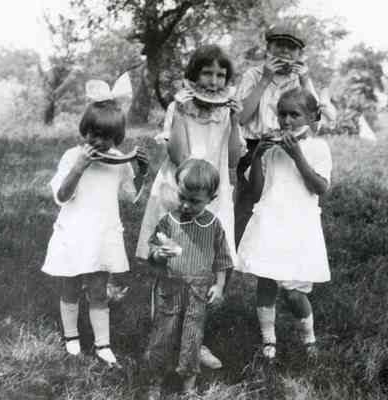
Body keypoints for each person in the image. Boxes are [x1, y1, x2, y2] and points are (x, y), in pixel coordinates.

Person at [136, 45, 243, 368]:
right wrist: (181, 114)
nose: (213, 81)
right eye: (207, 73)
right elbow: (180, 158)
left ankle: (194, 340)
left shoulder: (227, 110)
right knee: (169, 267)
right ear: (193, 76)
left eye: (221, 74)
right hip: (180, 191)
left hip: (214, 194)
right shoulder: (177, 107)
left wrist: (236, 120)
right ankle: (161, 338)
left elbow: (235, 158)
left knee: (203, 270)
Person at [42, 93, 149, 366]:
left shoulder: (118, 161)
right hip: (73, 234)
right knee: (70, 287)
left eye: (106, 136)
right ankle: (71, 337)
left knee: (99, 291)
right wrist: (79, 168)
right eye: (92, 134)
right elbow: (62, 196)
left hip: (102, 234)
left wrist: (142, 173)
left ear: (116, 138)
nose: (98, 141)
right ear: (84, 130)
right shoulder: (71, 156)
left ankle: (103, 344)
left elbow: (129, 197)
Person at [238, 88, 332, 360]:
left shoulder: (318, 147)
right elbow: (255, 191)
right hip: (269, 222)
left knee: (293, 292)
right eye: (282, 114)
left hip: (298, 226)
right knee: (266, 282)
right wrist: (257, 157)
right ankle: (269, 340)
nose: (287, 120)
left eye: (294, 114)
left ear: (312, 117)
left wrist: (297, 156)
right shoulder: (270, 149)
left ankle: (308, 338)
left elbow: (320, 187)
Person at [145, 159, 233, 399]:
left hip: (198, 292)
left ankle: (188, 385)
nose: (185, 205)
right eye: (182, 197)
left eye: (194, 201)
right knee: (163, 335)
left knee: (192, 338)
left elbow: (222, 259)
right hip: (170, 289)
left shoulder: (213, 225)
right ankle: (156, 380)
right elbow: (151, 253)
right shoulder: (168, 222)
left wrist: (219, 284)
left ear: (211, 199)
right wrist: (158, 254)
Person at [235, 20, 318, 245]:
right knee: (245, 208)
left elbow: (315, 124)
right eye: (278, 44)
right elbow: (241, 118)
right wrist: (265, 79)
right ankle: (234, 261)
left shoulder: (300, 80)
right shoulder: (253, 74)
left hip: (289, 150)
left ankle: (273, 267)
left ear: (300, 53)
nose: (284, 50)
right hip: (254, 149)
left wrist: (305, 79)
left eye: (291, 47)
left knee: (280, 210)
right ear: (267, 49)